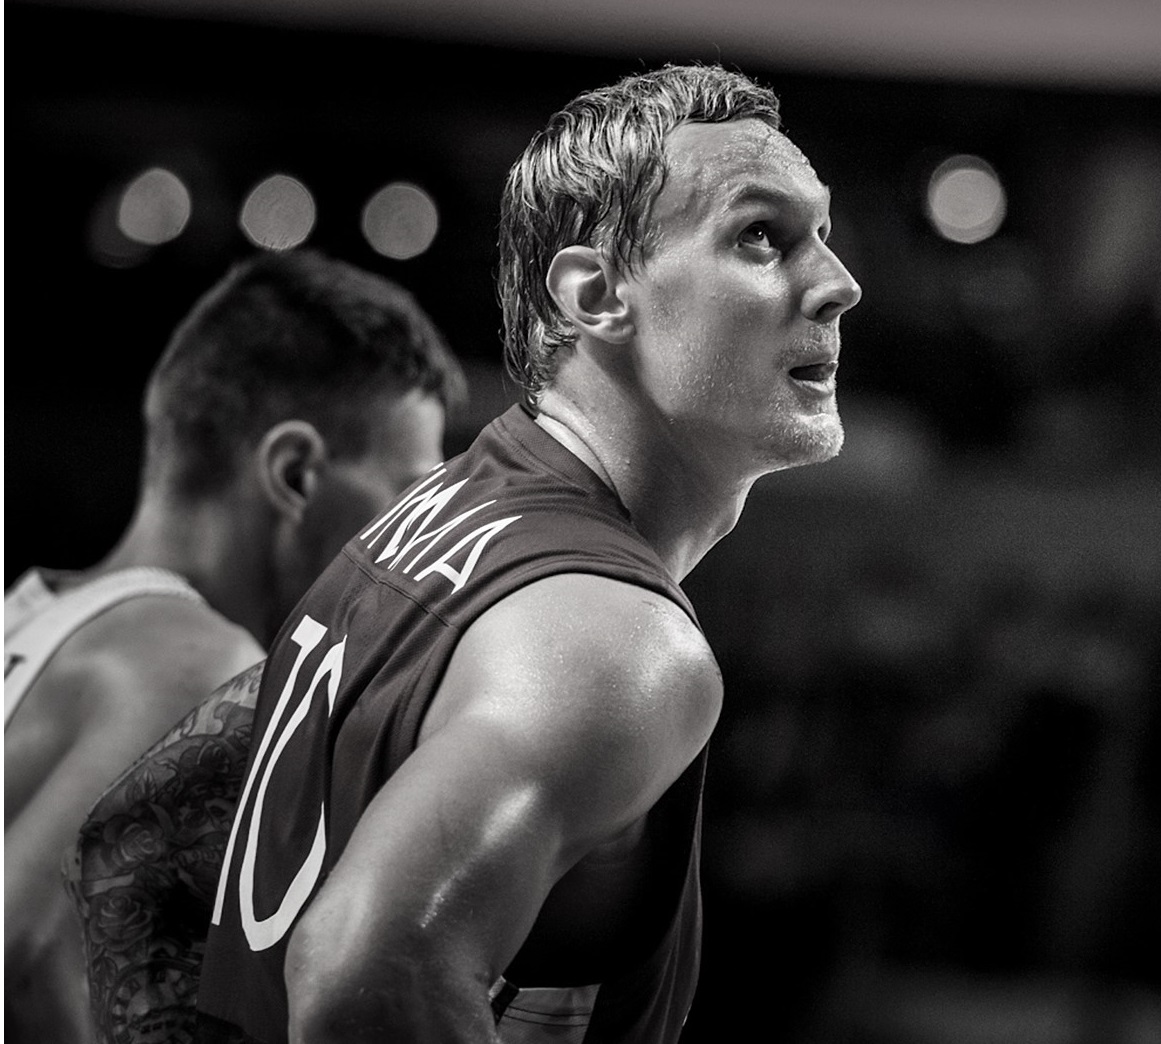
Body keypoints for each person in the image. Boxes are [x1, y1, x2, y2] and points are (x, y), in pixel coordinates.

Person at [110, 63, 859, 1044]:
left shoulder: (431, 515)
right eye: (759, 235)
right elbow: (361, 972)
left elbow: (131, 842)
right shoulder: (610, 639)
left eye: (822, 233)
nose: (839, 284)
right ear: (597, 295)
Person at [6, 248, 466, 1043]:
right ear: (296, 473)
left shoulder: (36, 614)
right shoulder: (201, 666)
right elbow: (26, 955)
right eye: (407, 497)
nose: (413, 545)